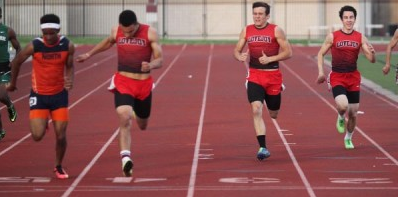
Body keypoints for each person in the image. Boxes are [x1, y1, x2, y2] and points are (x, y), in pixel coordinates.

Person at [76, 10, 163, 176]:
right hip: (124, 82)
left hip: (143, 84)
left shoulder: (150, 33)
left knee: (142, 124)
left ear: (136, 25)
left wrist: (151, 65)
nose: (127, 34)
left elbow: (160, 58)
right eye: (124, 31)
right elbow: (108, 42)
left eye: (130, 31)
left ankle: (137, 110)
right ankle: (126, 159)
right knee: (124, 117)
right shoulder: (116, 30)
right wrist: (89, 54)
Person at [7, 14, 75, 179]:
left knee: (61, 135)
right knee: (37, 136)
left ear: (58, 31)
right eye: (46, 33)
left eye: (52, 33)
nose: (49, 37)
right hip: (39, 96)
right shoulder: (34, 46)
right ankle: (44, 122)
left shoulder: (67, 45)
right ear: (42, 31)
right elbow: (16, 62)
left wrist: (70, 79)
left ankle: (58, 166)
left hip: (59, 96)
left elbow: (70, 66)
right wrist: (13, 83)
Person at [233, 2, 292, 161]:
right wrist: (240, 57)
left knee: (273, 114)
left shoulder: (276, 30)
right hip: (255, 75)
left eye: (260, 14)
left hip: (273, 76)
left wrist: (271, 58)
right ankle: (263, 147)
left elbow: (288, 52)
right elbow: (236, 50)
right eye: (255, 13)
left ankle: (279, 90)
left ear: (267, 16)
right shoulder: (247, 30)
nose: (257, 16)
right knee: (256, 109)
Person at [316, 5, 375, 149]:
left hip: (353, 77)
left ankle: (348, 138)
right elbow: (320, 53)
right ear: (342, 19)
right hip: (337, 76)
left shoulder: (360, 37)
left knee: (353, 113)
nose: (349, 20)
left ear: (355, 19)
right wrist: (321, 72)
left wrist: (372, 53)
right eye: (346, 18)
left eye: (351, 17)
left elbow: (371, 60)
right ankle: (341, 116)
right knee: (343, 105)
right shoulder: (333, 36)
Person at [0, 7, 21, 140]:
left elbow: (18, 48)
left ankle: (9, 105)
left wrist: (15, 61)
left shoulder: (7, 31)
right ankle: (0, 130)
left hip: (3, 67)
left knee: (1, 95)